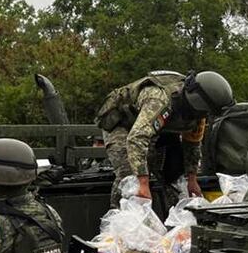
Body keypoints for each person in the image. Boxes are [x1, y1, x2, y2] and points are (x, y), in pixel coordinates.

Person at [96, 70, 234, 208]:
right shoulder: (159, 100)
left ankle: (168, 216)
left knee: (170, 172)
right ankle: (118, 217)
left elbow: (192, 145)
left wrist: (192, 180)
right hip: (121, 123)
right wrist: (142, 183)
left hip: (152, 128)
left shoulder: (198, 115)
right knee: (130, 175)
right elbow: (137, 138)